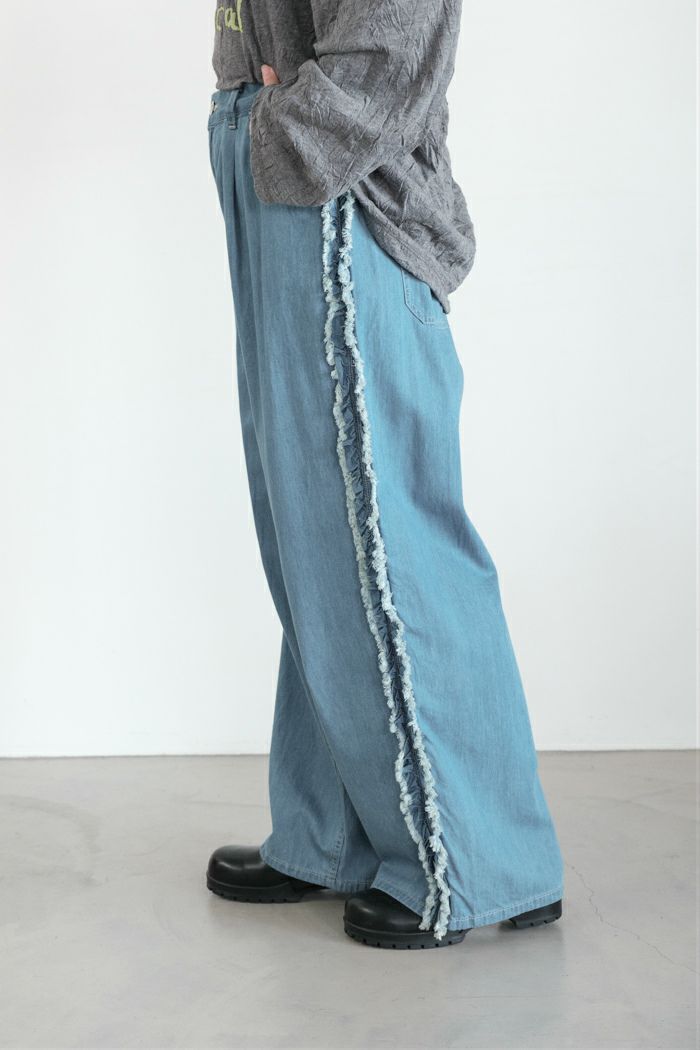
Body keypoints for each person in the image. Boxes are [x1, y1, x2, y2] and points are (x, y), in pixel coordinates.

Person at [205, 0, 564, 950]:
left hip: (343, 195)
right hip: (289, 174)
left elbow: (391, 40)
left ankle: (481, 862)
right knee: (316, 541)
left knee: (389, 540)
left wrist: (280, 127)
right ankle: (333, 835)